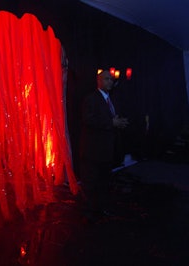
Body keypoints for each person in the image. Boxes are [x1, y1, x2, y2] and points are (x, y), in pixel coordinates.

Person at [78, 69, 129, 222]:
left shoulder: (110, 99)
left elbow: (107, 120)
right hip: (94, 149)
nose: (110, 82)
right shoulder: (91, 99)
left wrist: (117, 122)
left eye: (111, 79)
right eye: (106, 79)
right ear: (98, 81)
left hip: (107, 148)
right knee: (92, 181)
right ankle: (89, 213)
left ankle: (100, 209)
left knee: (104, 181)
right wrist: (111, 122)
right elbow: (88, 119)